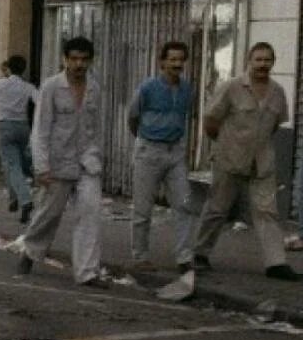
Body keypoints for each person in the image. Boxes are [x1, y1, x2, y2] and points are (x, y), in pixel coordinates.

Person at [192, 42, 299, 283]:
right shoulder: (231, 87)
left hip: (262, 162)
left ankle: (276, 263)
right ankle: (199, 253)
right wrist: (224, 145)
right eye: (258, 60)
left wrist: (256, 147)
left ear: (273, 62)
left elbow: (274, 125)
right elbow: (211, 119)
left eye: (267, 60)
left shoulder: (278, 92)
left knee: (267, 212)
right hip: (229, 158)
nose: (263, 65)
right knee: (218, 208)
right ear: (248, 61)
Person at [16, 37, 107, 286]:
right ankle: (31, 250)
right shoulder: (51, 87)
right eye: (74, 59)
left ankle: (87, 272)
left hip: (87, 161)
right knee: (48, 214)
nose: (79, 64)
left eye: (84, 59)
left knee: (90, 213)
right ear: (64, 59)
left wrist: (98, 157)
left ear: (90, 60)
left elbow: (96, 127)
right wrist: (41, 166)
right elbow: (41, 128)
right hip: (57, 162)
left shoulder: (94, 89)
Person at [126, 42, 195, 274]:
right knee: (143, 208)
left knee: (183, 204)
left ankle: (185, 257)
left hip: (175, 151)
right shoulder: (148, 88)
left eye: (180, 60)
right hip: (149, 150)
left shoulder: (187, 89)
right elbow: (133, 117)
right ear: (162, 62)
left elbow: (186, 116)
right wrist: (145, 140)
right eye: (172, 60)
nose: (176, 64)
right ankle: (140, 256)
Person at [0, 55, 38, 223]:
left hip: (5, 126)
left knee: (11, 164)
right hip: (23, 126)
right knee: (18, 164)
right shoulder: (27, 86)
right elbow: (40, 102)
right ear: (24, 69)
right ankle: (13, 198)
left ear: (8, 68)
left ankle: (25, 200)